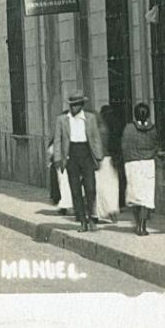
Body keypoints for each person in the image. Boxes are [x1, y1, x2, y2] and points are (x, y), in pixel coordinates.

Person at [53, 92, 105, 232]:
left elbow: (95, 138)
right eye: (72, 105)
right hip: (71, 156)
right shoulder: (62, 120)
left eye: (77, 105)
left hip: (86, 154)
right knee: (75, 190)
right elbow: (58, 140)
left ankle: (92, 218)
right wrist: (58, 159)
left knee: (90, 188)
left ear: (82, 105)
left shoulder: (90, 118)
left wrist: (99, 156)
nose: (74, 108)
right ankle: (82, 221)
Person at [122, 102, 159, 236]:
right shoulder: (152, 129)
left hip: (132, 164)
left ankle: (138, 224)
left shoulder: (129, 129)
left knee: (135, 196)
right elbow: (156, 145)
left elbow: (124, 146)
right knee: (146, 197)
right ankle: (142, 226)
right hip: (148, 164)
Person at [93, 106, 121, 223]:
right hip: (111, 160)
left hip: (100, 161)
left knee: (100, 188)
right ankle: (112, 211)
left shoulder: (98, 131)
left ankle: (101, 212)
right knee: (112, 188)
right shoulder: (111, 128)